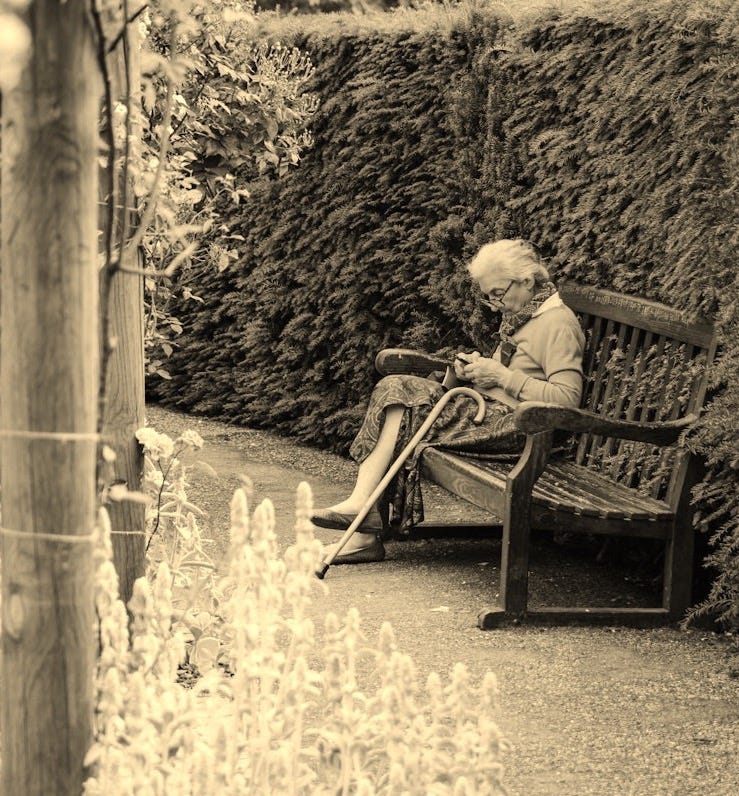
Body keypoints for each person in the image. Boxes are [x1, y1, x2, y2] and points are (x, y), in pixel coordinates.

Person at [311, 239, 586, 563]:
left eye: (498, 293)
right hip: (492, 415)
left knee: (400, 396)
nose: (494, 303)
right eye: (488, 296)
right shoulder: (524, 314)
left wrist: (499, 376)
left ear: (527, 280)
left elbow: (568, 399)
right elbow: (508, 376)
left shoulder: (557, 323)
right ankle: (363, 519)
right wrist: (467, 373)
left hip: (524, 431)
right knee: (395, 392)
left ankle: (362, 525)